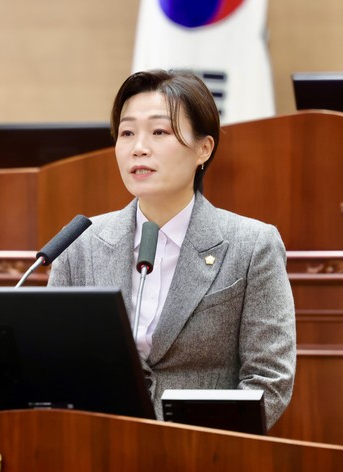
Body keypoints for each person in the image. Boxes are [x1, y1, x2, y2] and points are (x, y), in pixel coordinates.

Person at [48, 69, 296, 430]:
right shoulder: (79, 243)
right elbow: (53, 366)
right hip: (99, 448)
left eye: (159, 132)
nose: (139, 147)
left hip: (203, 452)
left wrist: (198, 448)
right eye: (127, 133)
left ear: (203, 149)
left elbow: (269, 378)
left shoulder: (252, 245)